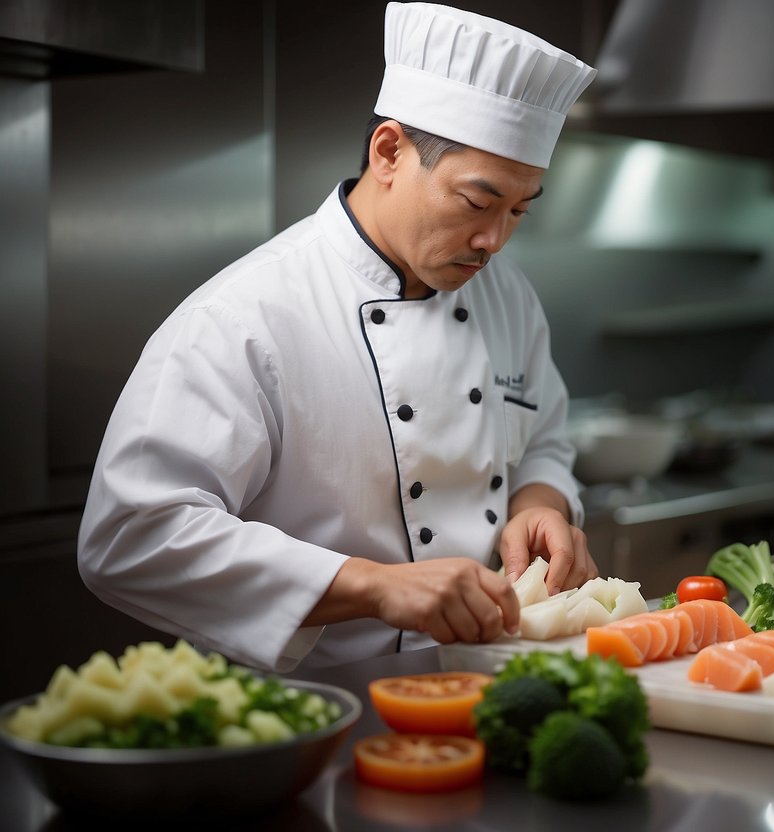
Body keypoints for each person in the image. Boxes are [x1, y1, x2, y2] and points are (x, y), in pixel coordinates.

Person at [77, 2, 600, 673]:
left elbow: (545, 438)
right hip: (310, 707)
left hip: (486, 681)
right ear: (389, 152)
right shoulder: (246, 316)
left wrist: (539, 500)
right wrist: (374, 585)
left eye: (518, 211)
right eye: (476, 202)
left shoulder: (507, 297)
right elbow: (131, 537)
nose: (492, 241)